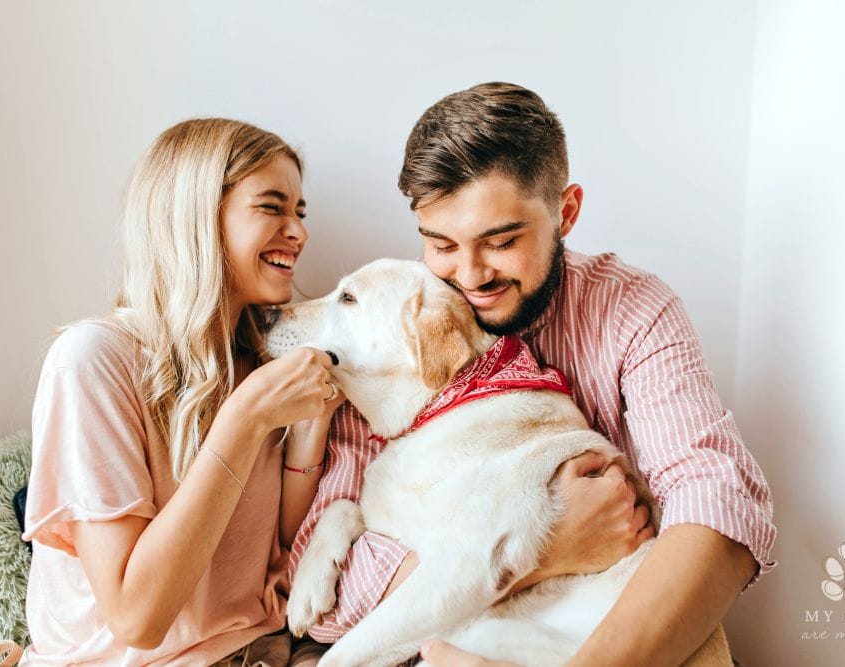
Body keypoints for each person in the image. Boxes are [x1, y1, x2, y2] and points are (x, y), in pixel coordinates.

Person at [290, 83, 776, 666]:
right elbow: (327, 604)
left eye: (501, 241)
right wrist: (531, 554)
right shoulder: (391, 325)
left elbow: (718, 505)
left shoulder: (633, 311)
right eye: (440, 244)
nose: (467, 276)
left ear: (565, 212)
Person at [20, 118, 344, 665]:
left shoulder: (264, 361)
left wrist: (310, 429)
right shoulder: (93, 362)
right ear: (195, 217)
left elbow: (277, 550)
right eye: (272, 207)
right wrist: (243, 421)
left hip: (265, 649)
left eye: (300, 212)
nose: (299, 232)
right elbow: (138, 618)